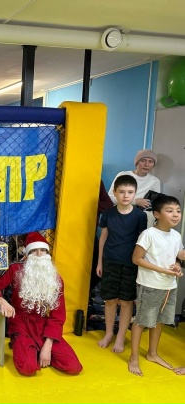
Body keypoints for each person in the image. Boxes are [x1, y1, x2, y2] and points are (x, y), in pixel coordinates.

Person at [0, 232, 83, 376]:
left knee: (73, 366)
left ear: (48, 254)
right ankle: (26, 347)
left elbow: (58, 316)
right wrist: (2, 301)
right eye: (34, 251)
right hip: (20, 323)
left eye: (43, 250)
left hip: (44, 326)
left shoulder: (56, 279)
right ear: (27, 255)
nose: (39, 254)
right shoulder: (15, 269)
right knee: (27, 368)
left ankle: (38, 350)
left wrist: (48, 345)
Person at [128, 194, 185, 376]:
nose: (175, 215)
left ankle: (152, 353)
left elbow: (177, 256)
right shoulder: (149, 234)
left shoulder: (176, 235)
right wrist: (162, 270)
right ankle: (134, 357)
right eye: (170, 211)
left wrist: (176, 266)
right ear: (157, 214)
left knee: (160, 320)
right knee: (141, 321)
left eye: (178, 211)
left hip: (169, 286)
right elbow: (136, 259)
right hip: (149, 285)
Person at [96, 175, 147, 352]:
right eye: (122, 192)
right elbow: (103, 238)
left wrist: (141, 265)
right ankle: (109, 333)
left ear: (135, 193)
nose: (126, 195)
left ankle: (120, 336)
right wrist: (100, 262)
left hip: (130, 264)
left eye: (130, 192)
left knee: (126, 302)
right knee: (110, 300)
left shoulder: (140, 216)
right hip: (110, 261)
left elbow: (142, 243)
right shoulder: (108, 213)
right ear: (115, 193)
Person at [107, 149, 160, 226]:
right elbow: (110, 198)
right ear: (137, 162)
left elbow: (154, 204)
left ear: (153, 165)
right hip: (120, 215)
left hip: (141, 218)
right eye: (143, 161)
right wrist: (135, 201)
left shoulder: (155, 181)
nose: (146, 164)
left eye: (150, 161)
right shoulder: (123, 175)